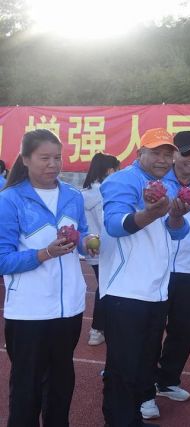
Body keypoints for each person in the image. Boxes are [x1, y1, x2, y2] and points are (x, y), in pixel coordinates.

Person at [0, 129, 98, 426]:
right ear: (26, 159)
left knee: (60, 384)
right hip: (29, 311)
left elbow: (80, 234)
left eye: (57, 157)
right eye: (44, 158)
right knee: (27, 389)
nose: (53, 164)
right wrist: (44, 253)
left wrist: (88, 241)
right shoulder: (10, 199)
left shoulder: (72, 196)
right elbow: (3, 259)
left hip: (69, 307)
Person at [99, 128, 190, 427]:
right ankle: (117, 420)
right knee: (123, 366)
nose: (163, 159)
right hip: (126, 291)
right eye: (156, 153)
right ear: (140, 153)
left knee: (143, 364)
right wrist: (150, 213)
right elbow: (114, 225)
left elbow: (177, 233)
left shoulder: (169, 185)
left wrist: (176, 217)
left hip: (157, 291)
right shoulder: (121, 180)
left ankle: (133, 416)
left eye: (168, 154)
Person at [140, 131, 190, 419]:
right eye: (186, 153)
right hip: (158, 268)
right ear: (173, 155)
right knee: (151, 332)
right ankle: (143, 393)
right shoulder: (156, 184)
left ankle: (167, 380)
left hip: (189, 270)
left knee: (183, 330)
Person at [82, 152, 120, 346]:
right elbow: (106, 223)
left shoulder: (85, 192)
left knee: (104, 286)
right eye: (116, 169)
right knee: (105, 288)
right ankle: (97, 329)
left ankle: (100, 327)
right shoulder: (103, 193)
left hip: (91, 248)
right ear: (109, 170)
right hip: (104, 248)